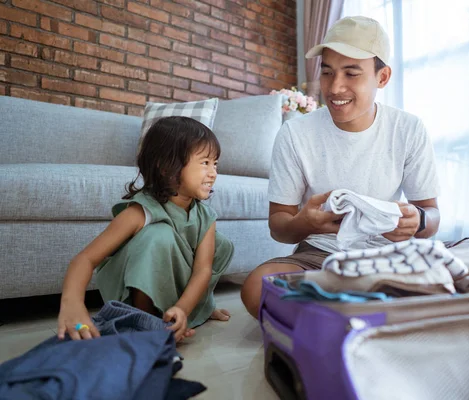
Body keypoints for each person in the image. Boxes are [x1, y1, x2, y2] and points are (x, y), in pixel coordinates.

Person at [241, 16, 441, 318]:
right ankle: (369, 310)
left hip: (388, 255)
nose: (335, 87)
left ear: (382, 77)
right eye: (327, 72)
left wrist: (419, 221)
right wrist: (306, 223)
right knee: (257, 288)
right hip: (320, 256)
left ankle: (341, 313)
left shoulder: (408, 129)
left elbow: (432, 216)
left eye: (351, 73)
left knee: (460, 273)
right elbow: (279, 227)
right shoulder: (296, 134)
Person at [57, 116, 234, 342]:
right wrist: (72, 303)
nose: (213, 173)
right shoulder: (141, 212)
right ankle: (143, 319)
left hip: (175, 296)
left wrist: (184, 309)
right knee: (158, 235)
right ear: (167, 167)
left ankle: (181, 314)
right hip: (131, 293)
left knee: (221, 245)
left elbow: (203, 271)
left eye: (215, 163)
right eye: (204, 163)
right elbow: (85, 259)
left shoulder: (205, 216)